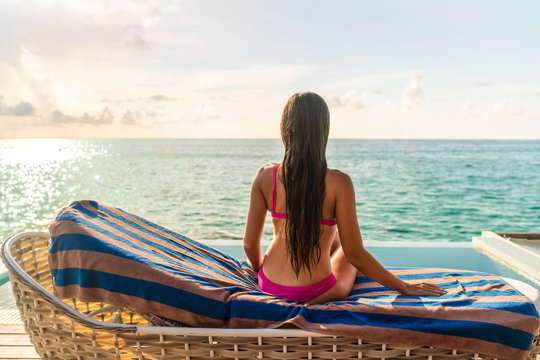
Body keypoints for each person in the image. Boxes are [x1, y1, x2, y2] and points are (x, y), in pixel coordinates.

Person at [243, 92, 447, 304]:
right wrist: (403, 286)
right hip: (315, 292)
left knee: (333, 237)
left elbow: (249, 244)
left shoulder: (265, 176)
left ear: (285, 128)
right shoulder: (339, 183)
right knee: (342, 246)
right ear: (323, 131)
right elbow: (355, 254)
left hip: (269, 285)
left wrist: (259, 269)